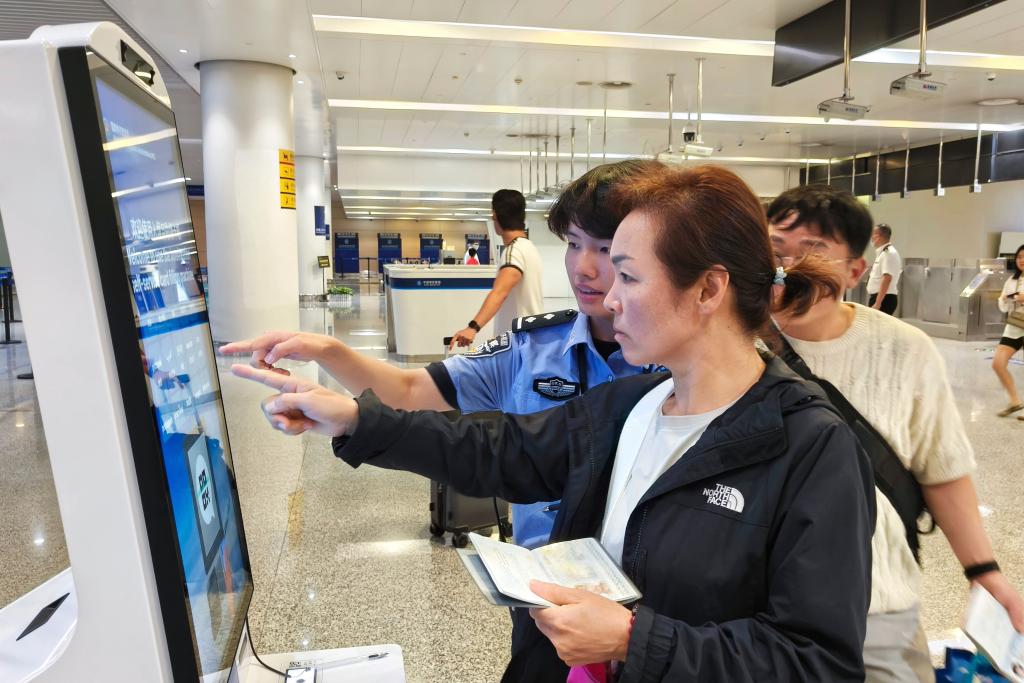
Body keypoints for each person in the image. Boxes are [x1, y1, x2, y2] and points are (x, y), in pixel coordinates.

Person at [232, 165, 875, 682]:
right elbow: (499, 448)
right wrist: (351, 419)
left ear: (708, 290)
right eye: (581, 250)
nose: (608, 294)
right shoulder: (634, 403)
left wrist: (634, 641)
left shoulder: (810, 447)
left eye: (627, 274)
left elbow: (817, 661)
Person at [221, 160, 664, 548]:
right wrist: (327, 350)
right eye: (573, 244)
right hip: (544, 585)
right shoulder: (531, 350)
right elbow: (411, 391)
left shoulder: (682, 368)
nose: (583, 267)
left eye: (605, 249)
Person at [767, 185, 1024, 683]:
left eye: (813, 251)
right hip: (755, 608)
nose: (789, 267)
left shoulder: (904, 349)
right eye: (777, 250)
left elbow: (942, 469)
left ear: (854, 272)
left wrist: (983, 571)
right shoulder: (734, 340)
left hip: (875, 607)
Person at [449, 189, 543, 348]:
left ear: (496, 216)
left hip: (517, 344)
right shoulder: (529, 248)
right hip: (530, 340)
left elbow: (500, 292)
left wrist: (473, 327)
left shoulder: (514, 251)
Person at [994, 244, 1024, 417]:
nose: (1022, 260)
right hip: (1014, 326)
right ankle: (1014, 401)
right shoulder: (1011, 280)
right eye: (1019, 257)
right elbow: (1003, 306)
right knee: (998, 363)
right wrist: (1005, 299)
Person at [866, 222, 902, 314]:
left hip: (884, 299)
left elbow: (887, 278)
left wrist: (878, 303)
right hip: (881, 298)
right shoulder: (883, 253)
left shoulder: (888, 253)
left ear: (878, 236)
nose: (871, 237)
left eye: (873, 234)